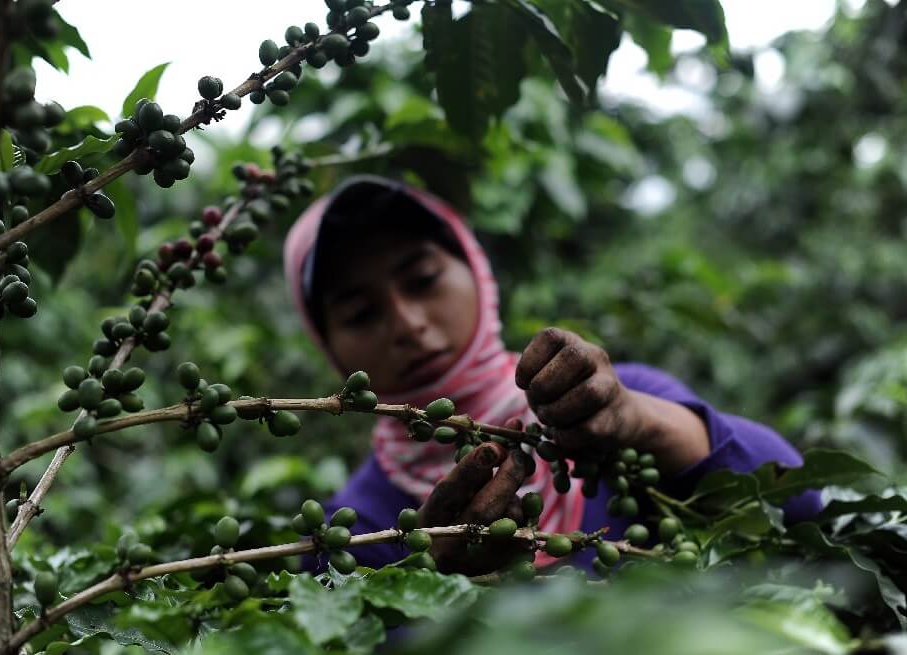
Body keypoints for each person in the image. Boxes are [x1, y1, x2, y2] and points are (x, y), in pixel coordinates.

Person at [283, 175, 820, 575]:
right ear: (328, 345)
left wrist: (641, 422)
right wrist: (436, 586)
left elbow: (798, 503)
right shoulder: (354, 535)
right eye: (359, 314)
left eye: (422, 279)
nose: (407, 324)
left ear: (476, 269)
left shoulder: (615, 398)